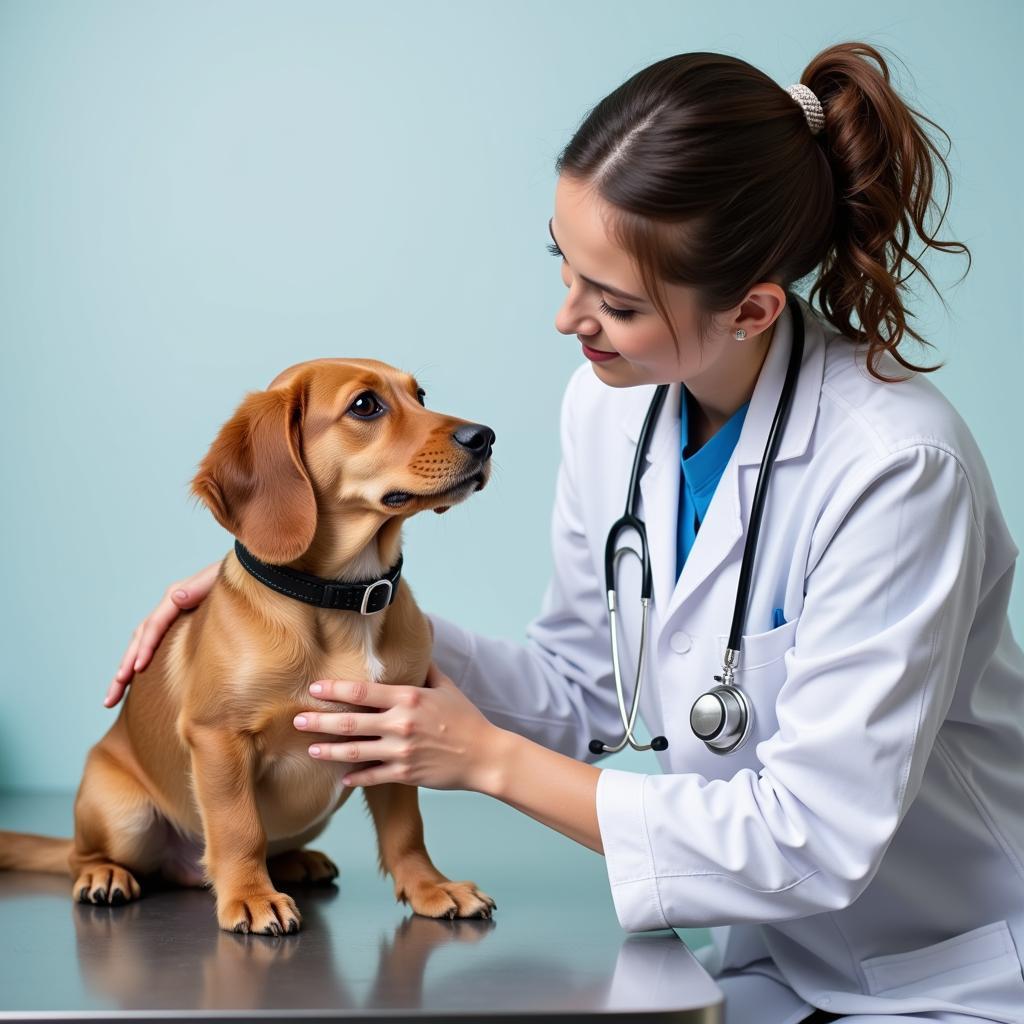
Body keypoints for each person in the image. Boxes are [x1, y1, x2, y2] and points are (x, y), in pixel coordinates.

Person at [104, 43, 1024, 1024]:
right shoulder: (609, 405)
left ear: (753, 307)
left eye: (615, 303)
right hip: (760, 961)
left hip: (952, 971)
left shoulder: (895, 466)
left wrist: (489, 762)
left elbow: (813, 837)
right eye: (564, 261)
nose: (565, 318)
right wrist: (314, 608)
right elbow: (585, 685)